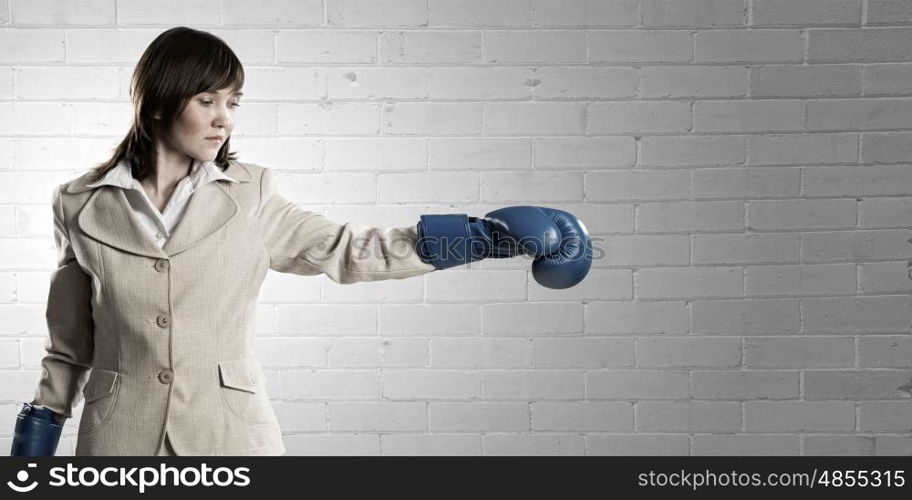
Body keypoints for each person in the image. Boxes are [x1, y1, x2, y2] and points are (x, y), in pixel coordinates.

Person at [10, 26, 591, 457]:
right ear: (161, 101)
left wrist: (481, 238)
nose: (224, 120)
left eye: (232, 103)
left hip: (231, 439)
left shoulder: (251, 194)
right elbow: (69, 346)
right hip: (118, 446)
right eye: (207, 100)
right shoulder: (81, 203)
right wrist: (35, 441)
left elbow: (346, 248)